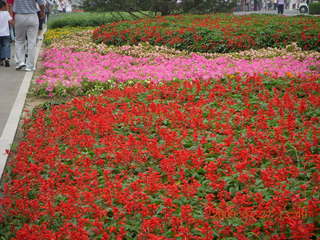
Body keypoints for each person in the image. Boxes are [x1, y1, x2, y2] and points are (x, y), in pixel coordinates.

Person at [13, 0, 45, 71]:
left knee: (19, 40)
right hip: (32, 15)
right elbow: (41, 3)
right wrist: (42, 12)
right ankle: (30, 66)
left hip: (19, 16)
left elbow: (10, 4)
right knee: (32, 42)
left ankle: (20, 62)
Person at [0, 0, 13, 67]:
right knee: (6, 46)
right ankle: (7, 59)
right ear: (4, 6)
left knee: (1, 46)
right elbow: (11, 21)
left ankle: (1, 60)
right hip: (6, 33)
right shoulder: (6, 13)